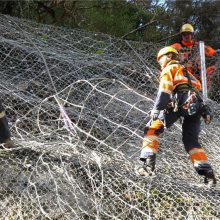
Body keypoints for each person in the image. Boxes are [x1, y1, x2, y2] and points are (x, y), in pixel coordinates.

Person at [137, 46, 216, 185]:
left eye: (160, 59)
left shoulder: (170, 69)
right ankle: (208, 174)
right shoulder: (188, 74)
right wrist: (205, 111)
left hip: (179, 103)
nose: (160, 63)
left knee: (151, 129)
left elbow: (164, 91)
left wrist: (157, 109)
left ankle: (148, 167)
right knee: (191, 141)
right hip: (195, 106)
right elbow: (198, 93)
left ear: (168, 56)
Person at [171, 23, 220, 88]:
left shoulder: (198, 46)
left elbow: (211, 51)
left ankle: (208, 92)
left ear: (192, 34)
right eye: (184, 34)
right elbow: (166, 51)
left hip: (200, 74)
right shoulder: (177, 46)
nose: (186, 35)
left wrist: (217, 52)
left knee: (213, 69)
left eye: (188, 33)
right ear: (181, 35)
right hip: (185, 74)